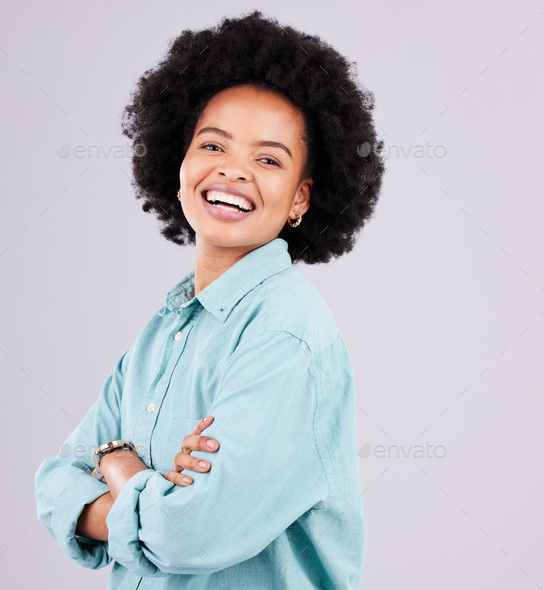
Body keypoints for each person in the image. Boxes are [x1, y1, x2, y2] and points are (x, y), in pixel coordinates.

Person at [35, 10, 385, 590]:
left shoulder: (285, 332)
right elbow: (54, 483)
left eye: (268, 159)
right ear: (179, 164)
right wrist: (151, 488)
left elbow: (188, 534)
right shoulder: (164, 330)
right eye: (212, 144)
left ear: (300, 199)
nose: (233, 170)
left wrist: (117, 465)